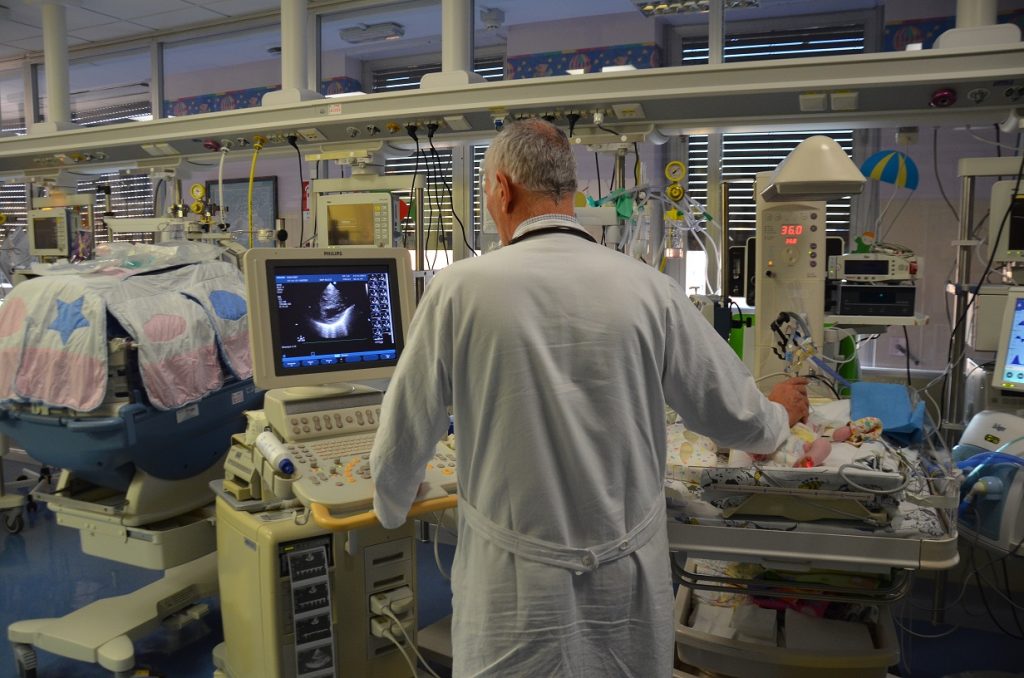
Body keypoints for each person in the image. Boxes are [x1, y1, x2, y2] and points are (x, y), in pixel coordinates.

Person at [369, 118, 809, 677]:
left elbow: (406, 430)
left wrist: (392, 499)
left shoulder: (458, 290)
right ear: (570, 191)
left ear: (501, 189)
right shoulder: (650, 289)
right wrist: (779, 415)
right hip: (624, 582)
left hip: (513, 591)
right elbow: (732, 414)